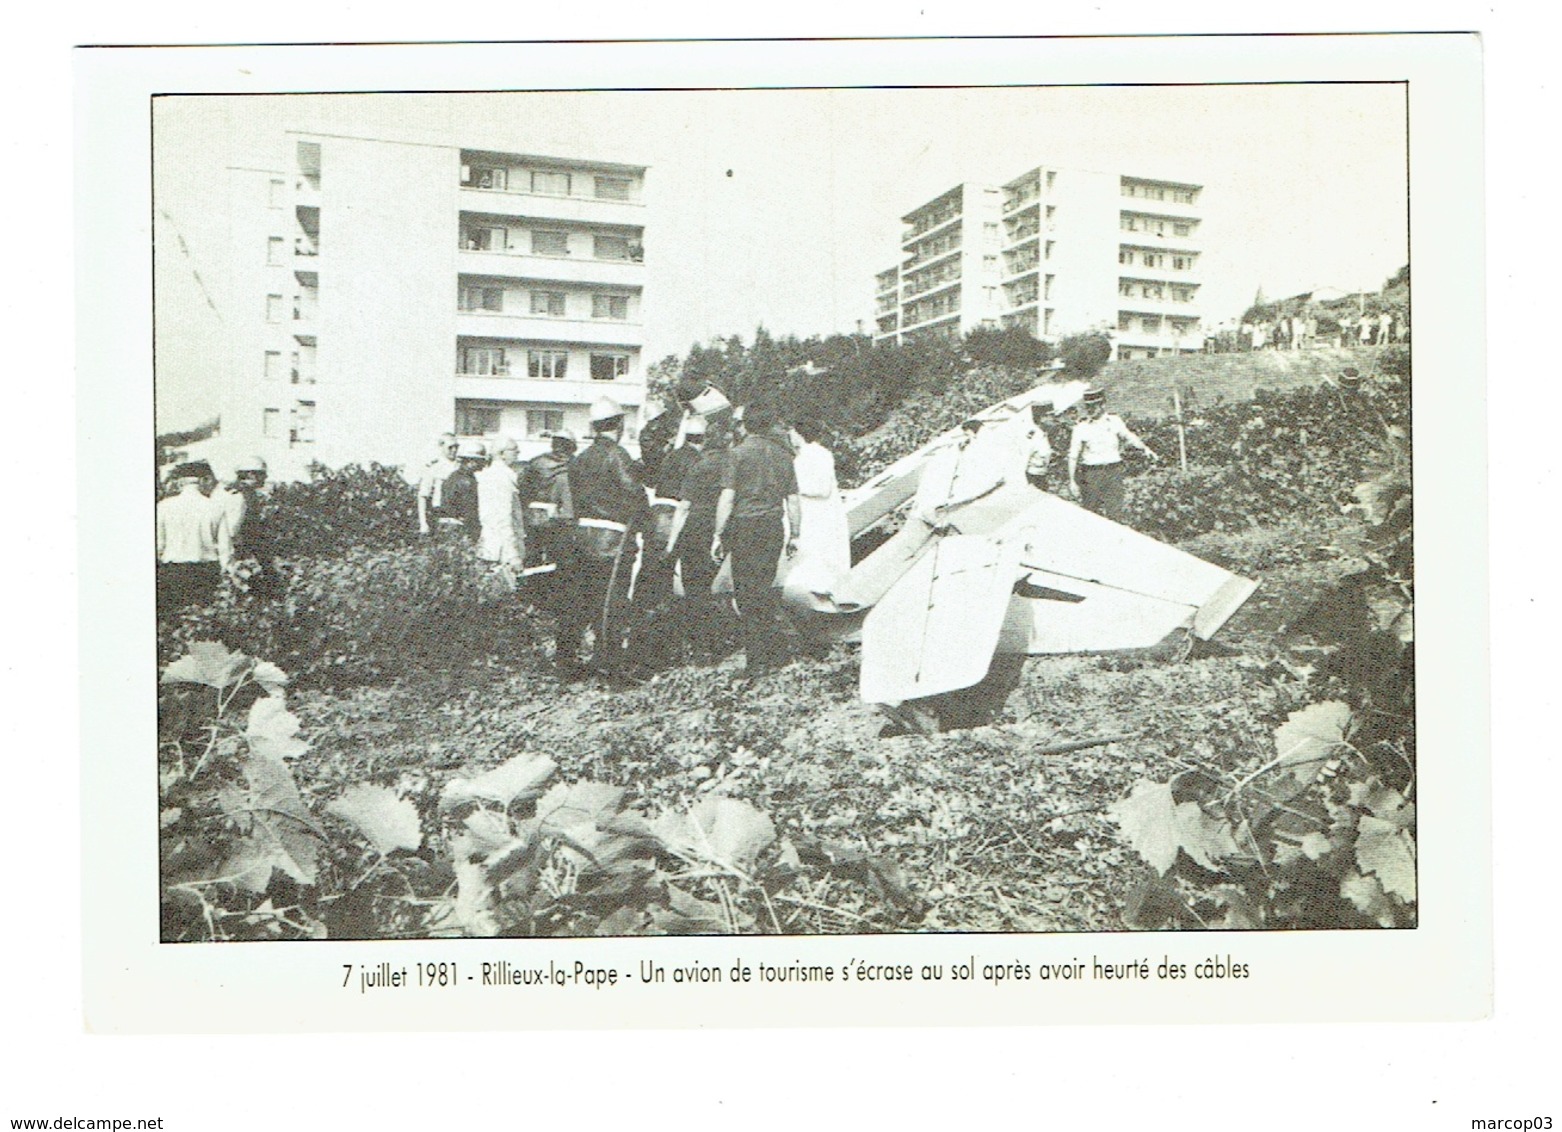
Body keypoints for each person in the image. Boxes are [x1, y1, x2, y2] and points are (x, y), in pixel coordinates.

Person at [555, 398, 646, 678]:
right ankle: (610, 667)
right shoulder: (617, 455)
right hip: (612, 541)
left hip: (581, 539)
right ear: (619, 424)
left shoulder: (579, 459)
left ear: (594, 426)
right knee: (611, 604)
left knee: (580, 602)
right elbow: (634, 493)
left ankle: (567, 662)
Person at [712, 403, 801, 677]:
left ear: (746, 425)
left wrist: (718, 534)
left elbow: (727, 498)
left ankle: (756, 661)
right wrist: (795, 533)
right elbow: (793, 501)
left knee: (746, 595)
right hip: (773, 528)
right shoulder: (784, 456)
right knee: (764, 590)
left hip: (744, 528)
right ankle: (773, 654)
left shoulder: (736, 454)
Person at [670, 422, 733, 661]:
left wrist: (672, 543)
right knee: (716, 587)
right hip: (723, 528)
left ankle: (699, 646)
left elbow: (684, 507)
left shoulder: (699, 465)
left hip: (696, 529)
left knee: (694, 590)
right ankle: (718, 642)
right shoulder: (732, 463)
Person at [1068, 386, 1159, 522]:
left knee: (1115, 512)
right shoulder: (1081, 428)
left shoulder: (1115, 421)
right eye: (1088, 407)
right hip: (1092, 474)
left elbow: (1129, 436)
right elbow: (1073, 456)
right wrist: (1072, 481)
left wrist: (1146, 449)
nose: (1090, 410)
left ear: (1103, 405)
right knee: (1091, 513)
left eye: (1094, 406)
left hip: (1113, 472)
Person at [785, 417, 850, 599]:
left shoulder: (814, 455)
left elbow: (821, 488)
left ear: (800, 434)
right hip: (815, 514)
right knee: (817, 556)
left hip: (821, 514)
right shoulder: (808, 456)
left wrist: (793, 488)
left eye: (793, 433)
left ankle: (828, 593)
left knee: (824, 554)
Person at [156, 461, 228, 618]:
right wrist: (225, 573)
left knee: (176, 620)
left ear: (181, 482)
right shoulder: (215, 507)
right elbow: (225, 548)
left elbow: (158, 544)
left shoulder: (163, 506)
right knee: (204, 619)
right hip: (206, 571)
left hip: (173, 571)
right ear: (203, 480)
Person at [219, 455, 284, 599]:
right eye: (262, 473)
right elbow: (232, 529)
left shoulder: (233, 491)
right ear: (250, 474)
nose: (266, 477)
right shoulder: (240, 495)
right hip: (241, 551)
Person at [476, 437, 525, 579]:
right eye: (514, 450)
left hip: (489, 545)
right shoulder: (503, 478)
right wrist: (513, 554)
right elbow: (504, 518)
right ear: (502, 453)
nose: (518, 452)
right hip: (502, 550)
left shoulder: (487, 475)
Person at [438, 439, 485, 541]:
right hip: (460, 527)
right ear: (471, 461)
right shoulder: (467, 481)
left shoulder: (453, 475)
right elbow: (470, 510)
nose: (483, 464)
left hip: (445, 525)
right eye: (480, 461)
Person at [417, 433, 460, 536]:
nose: (454, 450)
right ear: (441, 446)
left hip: (459, 517)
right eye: (450, 447)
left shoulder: (460, 466)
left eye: (456, 447)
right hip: (441, 517)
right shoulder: (434, 468)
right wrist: (423, 523)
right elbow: (423, 496)